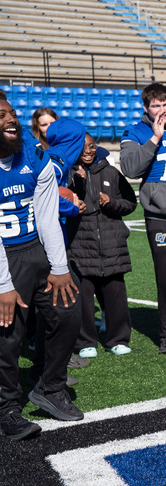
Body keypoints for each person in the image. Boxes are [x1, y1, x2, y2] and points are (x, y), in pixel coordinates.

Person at [0, 97, 82, 440]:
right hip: (5, 255)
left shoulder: (32, 155)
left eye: (12, 113)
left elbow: (47, 213)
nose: (11, 119)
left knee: (69, 312)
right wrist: (3, 285)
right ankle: (6, 407)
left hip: (35, 248)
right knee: (7, 336)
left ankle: (50, 387)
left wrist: (59, 266)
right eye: (1, 115)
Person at [119, 82, 166, 354]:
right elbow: (130, 168)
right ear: (146, 108)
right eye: (156, 105)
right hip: (160, 216)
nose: (162, 110)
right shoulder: (135, 132)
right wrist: (155, 138)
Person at [67, 133, 136, 357]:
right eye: (83, 147)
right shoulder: (67, 174)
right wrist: (76, 183)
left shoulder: (111, 172)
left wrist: (111, 202)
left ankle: (118, 339)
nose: (88, 151)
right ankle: (85, 341)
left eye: (92, 146)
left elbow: (130, 203)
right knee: (83, 298)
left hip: (112, 246)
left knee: (116, 297)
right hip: (80, 247)